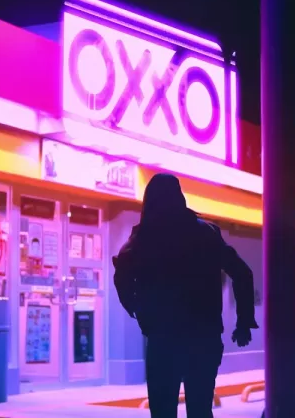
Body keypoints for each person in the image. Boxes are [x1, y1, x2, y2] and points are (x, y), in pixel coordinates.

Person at [113, 173, 258, 418]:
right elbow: (243, 273)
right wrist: (243, 322)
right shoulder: (206, 233)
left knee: (162, 412)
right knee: (200, 410)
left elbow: (122, 278)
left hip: (163, 338)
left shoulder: (143, 237)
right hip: (203, 337)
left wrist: (139, 311)